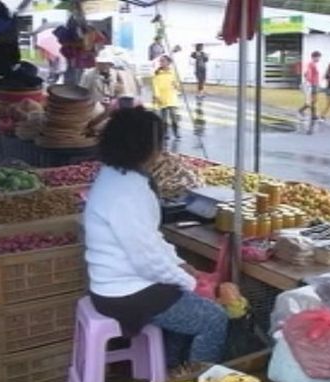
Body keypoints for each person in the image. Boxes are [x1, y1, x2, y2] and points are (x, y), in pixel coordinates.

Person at [85, 107, 228, 364]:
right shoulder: (128, 191)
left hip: (116, 285)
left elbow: (149, 239)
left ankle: (171, 369)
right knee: (214, 318)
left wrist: (179, 264)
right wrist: (190, 284)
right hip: (126, 294)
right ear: (143, 146)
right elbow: (146, 260)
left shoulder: (115, 175)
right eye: (159, 142)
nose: (161, 149)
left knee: (188, 307)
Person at [153, 55, 180, 140]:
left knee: (173, 116)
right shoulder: (157, 73)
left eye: (163, 61)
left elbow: (177, 84)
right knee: (164, 118)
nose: (161, 63)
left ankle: (176, 133)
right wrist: (157, 96)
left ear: (168, 62)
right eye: (160, 61)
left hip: (171, 96)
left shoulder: (173, 72)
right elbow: (155, 85)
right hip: (161, 97)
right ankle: (165, 134)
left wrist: (176, 85)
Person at [298, 50, 321, 121]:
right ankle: (301, 111)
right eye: (318, 57)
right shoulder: (311, 64)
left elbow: (307, 73)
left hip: (315, 84)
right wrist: (309, 82)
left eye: (319, 57)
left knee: (314, 100)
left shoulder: (314, 64)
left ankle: (313, 115)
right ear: (314, 57)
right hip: (312, 84)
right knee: (311, 101)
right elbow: (308, 74)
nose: (319, 59)